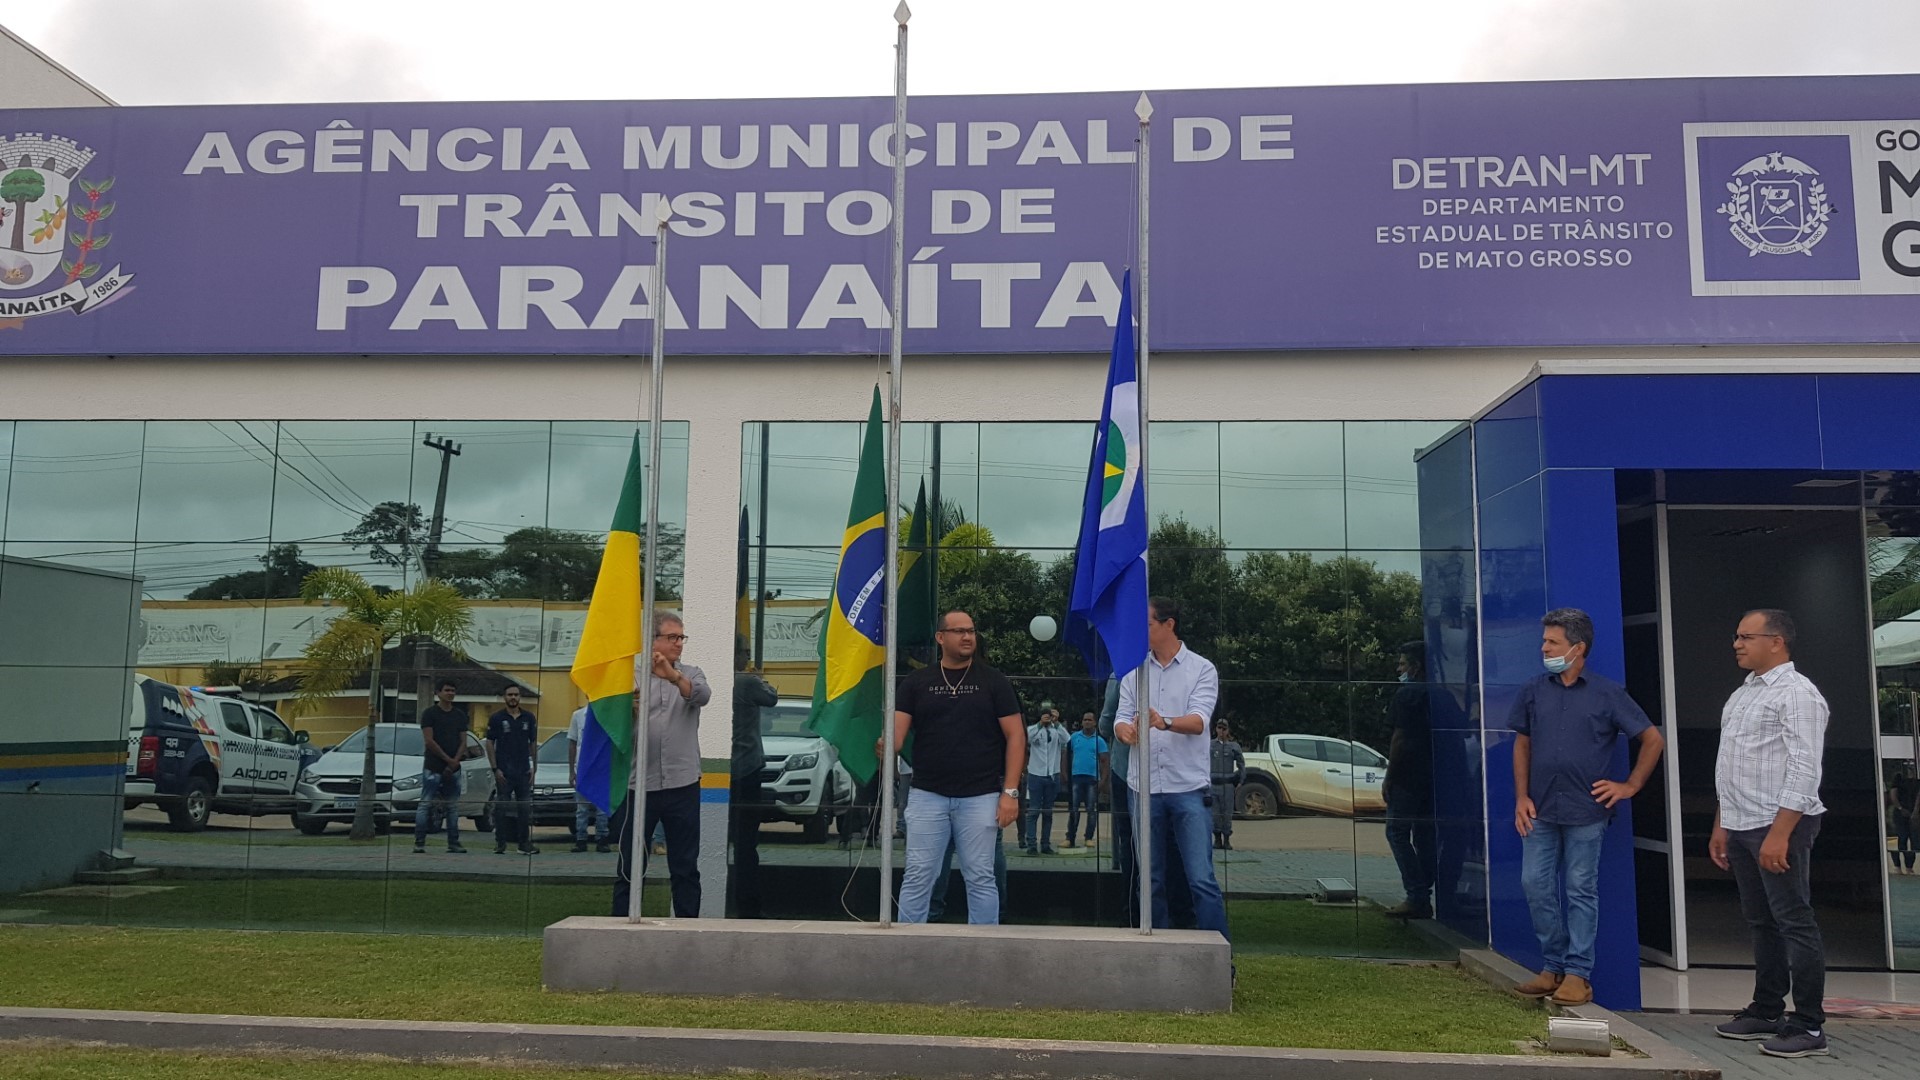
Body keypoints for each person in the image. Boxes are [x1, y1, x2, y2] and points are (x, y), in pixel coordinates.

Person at [1509, 608, 1665, 1008]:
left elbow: (1652, 739)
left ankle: (1578, 975)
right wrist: (1521, 797)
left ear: (1577, 648)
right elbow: (1522, 744)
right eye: (1544, 641)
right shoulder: (1533, 690)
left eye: (1552, 642)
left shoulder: (1608, 693)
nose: (1544, 648)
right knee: (1535, 884)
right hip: (1540, 809)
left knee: (1580, 889)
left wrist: (1630, 785)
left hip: (1587, 811)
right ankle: (1552, 966)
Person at [1710, 609, 1832, 1058]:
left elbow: (1805, 768)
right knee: (1761, 921)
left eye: (1746, 637)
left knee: (1793, 920)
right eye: (1737, 636)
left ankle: (1809, 1025)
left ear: (1776, 641)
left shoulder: (1798, 694)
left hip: (1779, 824)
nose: (1736, 644)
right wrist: (1722, 823)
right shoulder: (1744, 693)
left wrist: (1780, 834)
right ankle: (1766, 1009)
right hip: (1741, 821)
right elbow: (1731, 763)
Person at [891, 610, 1025, 925]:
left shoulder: (994, 681)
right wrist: (885, 744)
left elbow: (1016, 737)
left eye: (971, 631)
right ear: (941, 637)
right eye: (959, 631)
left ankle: (984, 946)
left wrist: (1010, 793)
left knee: (980, 876)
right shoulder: (916, 682)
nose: (967, 637)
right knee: (918, 874)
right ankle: (907, 945)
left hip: (981, 795)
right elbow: (896, 736)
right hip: (927, 794)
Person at [1114, 596, 1229, 940]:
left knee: (1200, 878)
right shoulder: (1134, 671)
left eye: (1147, 624)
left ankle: (1218, 957)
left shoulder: (1201, 669)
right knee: (1150, 879)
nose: (1141, 631)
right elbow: (1121, 718)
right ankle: (1156, 956)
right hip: (1143, 787)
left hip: (1188, 788)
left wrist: (1162, 721)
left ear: (1169, 625)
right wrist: (1125, 732)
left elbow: (1198, 721)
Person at [611, 610, 712, 918]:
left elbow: (702, 696)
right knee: (630, 865)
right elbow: (608, 720)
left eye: (681, 637)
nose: (679, 643)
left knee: (685, 866)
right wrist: (626, 704)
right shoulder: (630, 677)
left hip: (682, 784)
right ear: (652, 640)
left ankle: (687, 930)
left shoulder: (691, 673)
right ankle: (622, 927)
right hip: (637, 785)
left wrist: (673, 676)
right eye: (672, 637)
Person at [1383, 641, 1437, 919]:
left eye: (1403, 664)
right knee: (1425, 835)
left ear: (1415, 667)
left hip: (1408, 777)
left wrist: (1389, 777)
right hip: (1434, 777)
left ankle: (1417, 895)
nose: (1399, 669)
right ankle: (1425, 891)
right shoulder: (1440, 694)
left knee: (1396, 832)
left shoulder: (1407, 695)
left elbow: (1400, 739)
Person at [731, 639, 778, 917]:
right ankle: (748, 904)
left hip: (722, 770)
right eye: (745, 652)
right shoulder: (747, 682)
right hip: (747, 769)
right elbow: (772, 698)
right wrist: (760, 678)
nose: (748, 657)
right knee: (746, 843)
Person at [413, 678, 469, 854]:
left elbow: (463, 741)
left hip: (454, 769)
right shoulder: (429, 714)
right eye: (447, 690)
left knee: (452, 806)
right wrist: (447, 760)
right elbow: (429, 741)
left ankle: (453, 843)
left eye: (453, 690)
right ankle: (419, 842)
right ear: (438, 693)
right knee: (425, 804)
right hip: (433, 767)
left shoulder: (460, 715)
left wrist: (455, 761)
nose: (450, 693)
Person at [486, 685, 539, 856]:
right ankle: (500, 843)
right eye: (510, 695)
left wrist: (534, 766)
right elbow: (489, 743)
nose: (513, 697)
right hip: (504, 771)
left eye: (516, 694)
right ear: (504, 697)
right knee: (501, 808)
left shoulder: (528, 717)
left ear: (520, 697)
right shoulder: (497, 718)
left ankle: (524, 844)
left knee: (524, 809)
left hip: (523, 771)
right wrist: (495, 768)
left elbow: (533, 742)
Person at [1023, 706, 1070, 855]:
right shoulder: (1033, 729)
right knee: (1034, 811)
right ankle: (1031, 844)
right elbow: (1027, 738)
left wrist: (1057, 723)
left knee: (1048, 812)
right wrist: (1040, 724)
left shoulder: (1056, 730)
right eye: (1045, 715)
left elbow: (1067, 739)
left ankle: (1045, 844)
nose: (1047, 718)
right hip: (1036, 774)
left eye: (1049, 715)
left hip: (1052, 775)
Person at [566, 704, 610, 853]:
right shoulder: (578, 715)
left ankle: (602, 839)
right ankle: (581, 839)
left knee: (602, 808)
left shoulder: (608, 714)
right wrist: (571, 771)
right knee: (582, 808)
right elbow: (572, 743)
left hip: (602, 769)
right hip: (583, 769)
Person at [1064, 711, 1108, 849]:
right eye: (1085, 720)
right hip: (1076, 778)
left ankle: (1088, 838)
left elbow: (1104, 761)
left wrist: (1103, 780)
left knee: (1091, 810)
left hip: (1092, 779)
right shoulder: (1074, 737)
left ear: (1095, 722)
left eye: (1089, 720)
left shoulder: (1099, 741)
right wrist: (1064, 774)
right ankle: (1070, 838)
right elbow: (1066, 756)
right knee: (1074, 809)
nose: (1087, 722)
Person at [1209, 720, 1245, 850]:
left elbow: (1241, 764)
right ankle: (1217, 839)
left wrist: (1241, 780)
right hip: (1213, 784)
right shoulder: (1210, 745)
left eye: (1224, 728)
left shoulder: (1233, 746)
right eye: (1219, 728)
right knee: (1215, 814)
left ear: (1228, 730)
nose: (1221, 731)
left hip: (1228, 785)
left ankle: (1227, 840)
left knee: (1227, 813)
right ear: (1216, 729)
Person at [1890, 767, 1917, 877]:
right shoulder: (1899, 777)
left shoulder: (1916, 780)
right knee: (1902, 838)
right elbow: (1893, 794)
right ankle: (1897, 866)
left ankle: (1909, 867)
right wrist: (1900, 808)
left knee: (1913, 840)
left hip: (1912, 812)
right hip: (1900, 813)